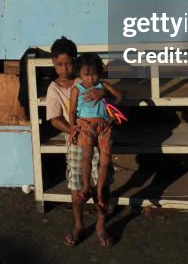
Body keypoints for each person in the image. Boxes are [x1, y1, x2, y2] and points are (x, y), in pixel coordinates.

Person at [44, 38, 119, 247]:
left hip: (100, 138)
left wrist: (103, 92)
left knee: (102, 186)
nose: (64, 68)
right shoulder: (54, 89)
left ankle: (101, 226)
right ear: (53, 63)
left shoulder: (88, 79)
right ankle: (79, 225)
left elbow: (113, 99)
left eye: (68, 63)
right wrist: (73, 129)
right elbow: (54, 118)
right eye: (59, 64)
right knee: (77, 187)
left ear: (76, 62)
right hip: (77, 141)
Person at [68, 51, 121, 245]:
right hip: (86, 125)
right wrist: (73, 126)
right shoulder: (77, 89)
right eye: (85, 74)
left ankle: (98, 192)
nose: (90, 78)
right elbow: (72, 110)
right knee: (86, 155)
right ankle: (85, 185)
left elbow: (120, 98)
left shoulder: (103, 85)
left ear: (100, 72)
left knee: (105, 160)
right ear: (79, 75)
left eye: (94, 74)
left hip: (105, 126)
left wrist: (106, 93)